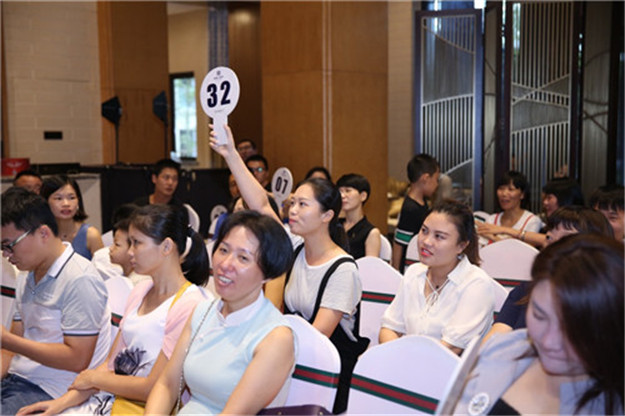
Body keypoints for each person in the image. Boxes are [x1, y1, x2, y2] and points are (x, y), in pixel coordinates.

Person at [209, 124, 366, 413]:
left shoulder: (343, 270)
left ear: (327, 215)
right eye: (292, 203)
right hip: (289, 363)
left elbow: (317, 337)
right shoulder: (295, 245)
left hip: (323, 380)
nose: (292, 210)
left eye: (302, 204)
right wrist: (230, 153)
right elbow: (261, 204)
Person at [16, 204, 210, 416]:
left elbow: (156, 387)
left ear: (166, 247)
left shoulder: (190, 304)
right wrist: (60, 404)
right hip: (111, 400)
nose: (130, 252)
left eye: (137, 243)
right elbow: (110, 364)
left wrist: (95, 379)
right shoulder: (141, 291)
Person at [144, 211, 296, 415]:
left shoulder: (275, 337)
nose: (225, 264)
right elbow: (167, 385)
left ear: (268, 273)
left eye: (243, 258)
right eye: (223, 250)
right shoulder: (203, 311)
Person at [453, 234, 624, 415]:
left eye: (573, 330)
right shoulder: (503, 349)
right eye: (539, 316)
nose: (549, 342)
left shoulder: (611, 404)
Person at [1, 187, 111, 414]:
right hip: (18, 380)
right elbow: (10, 349)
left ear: (43, 233)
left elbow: (77, 359)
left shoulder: (80, 278)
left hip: (53, 390)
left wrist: (6, 340)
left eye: (9, 245)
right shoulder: (27, 274)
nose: (6, 254)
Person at [483, 205, 614, 343]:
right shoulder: (525, 292)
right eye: (549, 237)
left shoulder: (605, 303)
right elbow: (491, 344)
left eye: (565, 238)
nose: (553, 245)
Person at [380, 200, 494, 354]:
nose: (426, 241)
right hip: (406, 362)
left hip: (450, 367)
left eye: (439, 236)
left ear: (461, 245)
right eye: (424, 231)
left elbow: (451, 347)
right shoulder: (414, 273)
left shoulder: (476, 284)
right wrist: (397, 357)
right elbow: (389, 328)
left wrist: (405, 359)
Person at [392, 154, 440, 273]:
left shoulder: (422, 203)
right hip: (408, 266)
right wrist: (396, 272)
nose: (437, 184)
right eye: (436, 179)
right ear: (425, 178)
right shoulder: (410, 208)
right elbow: (399, 243)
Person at [40, 175, 104, 261]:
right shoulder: (40, 235)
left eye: (72, 198)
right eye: (59, 198)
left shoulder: (91, 235)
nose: (66, 204)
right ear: (46, 202)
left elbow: (102, 268)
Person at [477, 170, 542, 246]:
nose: (504, 194)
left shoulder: (532, 221)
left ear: (522, 194)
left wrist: (493, 237)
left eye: (510, 189)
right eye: (501, 188)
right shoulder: (492, 219)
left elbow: (525, 250)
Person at [336, 173, 381, 259]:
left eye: (348, 191)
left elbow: (371, 264)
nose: (342, 196)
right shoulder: (335, 225)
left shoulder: (371, 232)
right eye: (340, 191)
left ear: (363, 196)